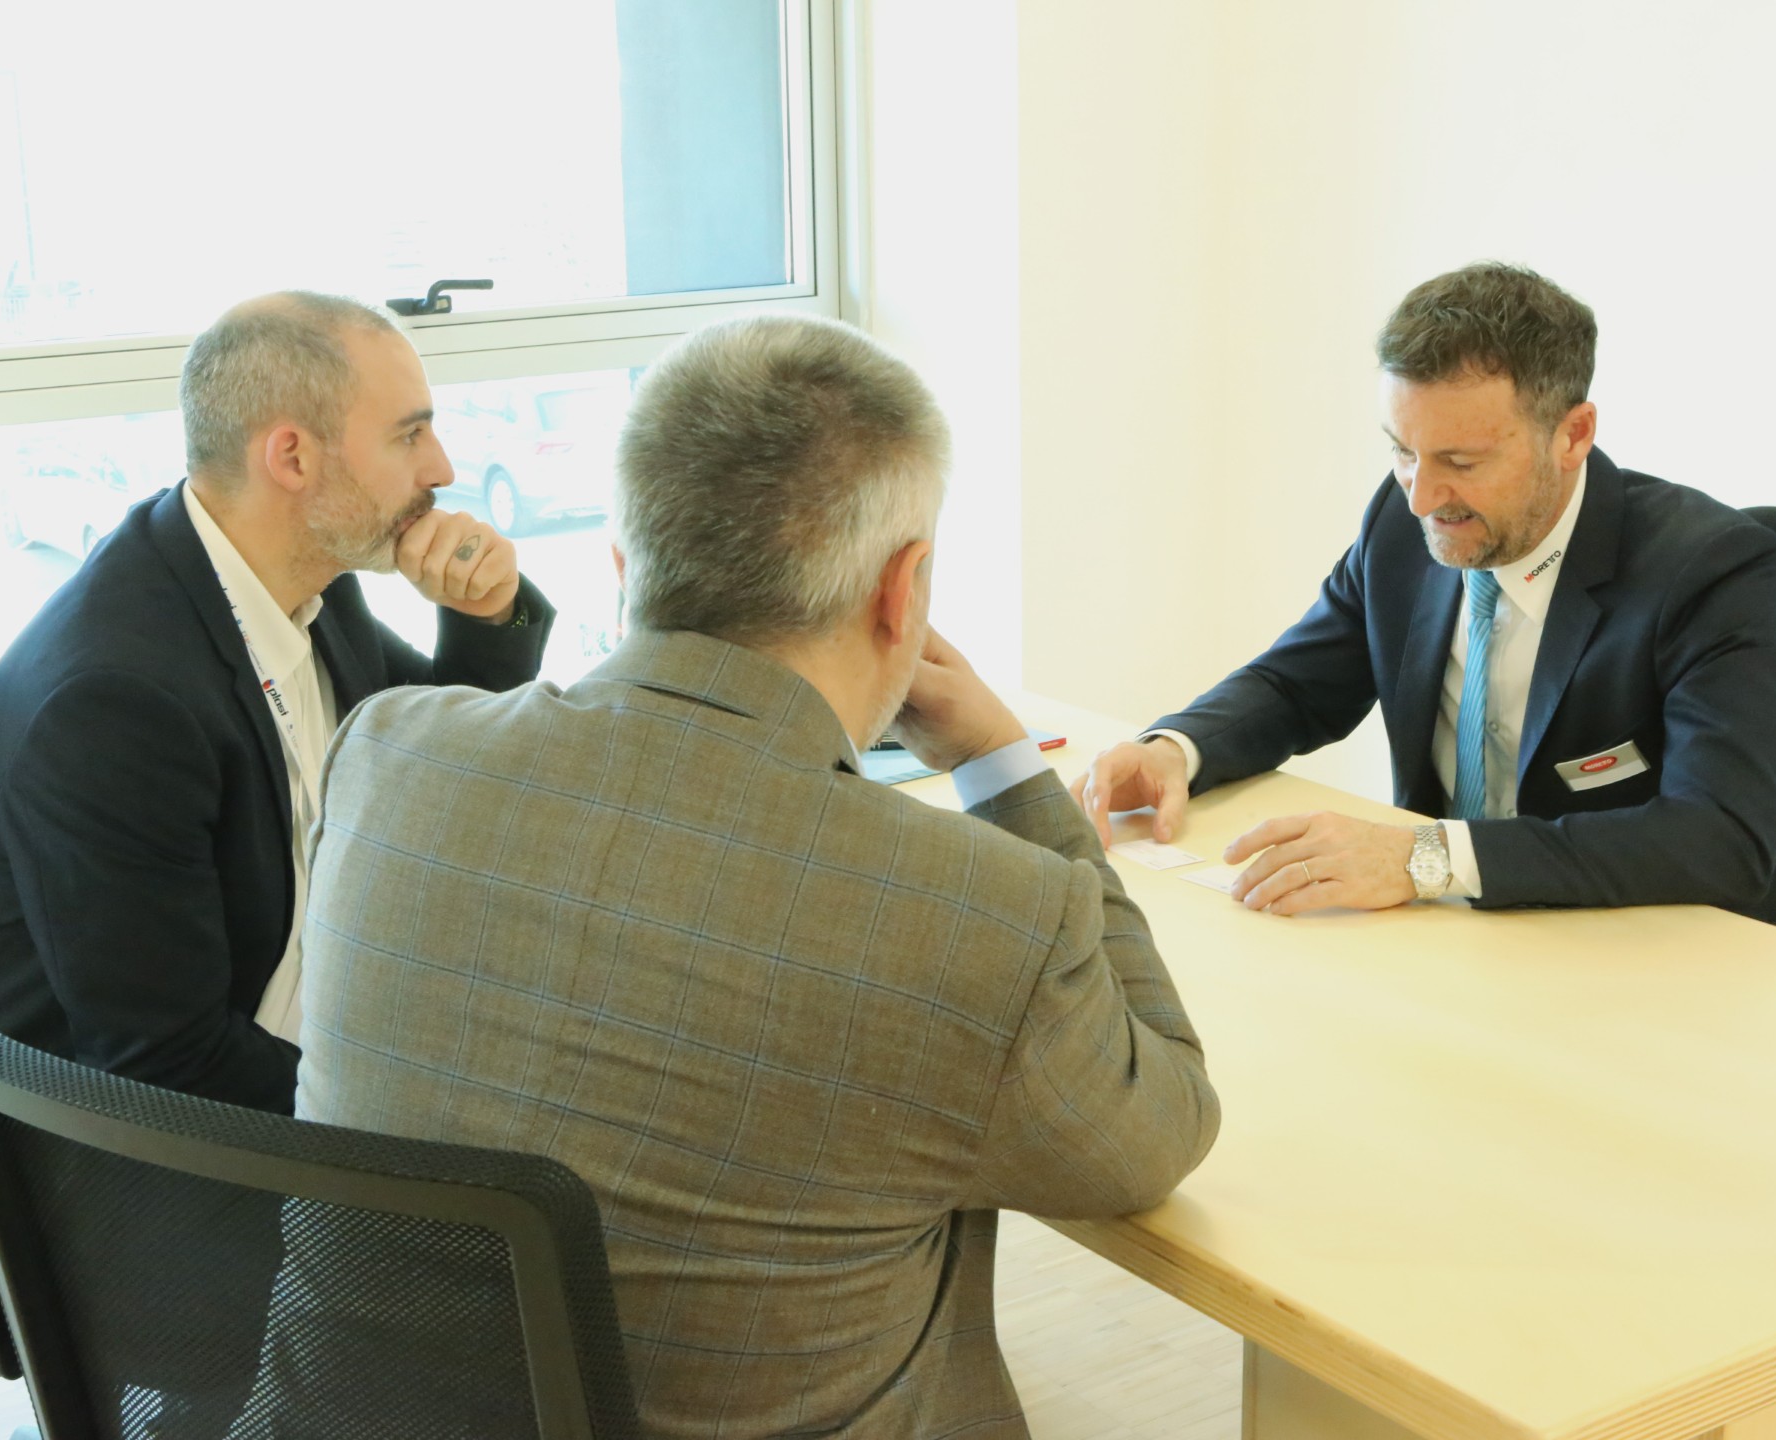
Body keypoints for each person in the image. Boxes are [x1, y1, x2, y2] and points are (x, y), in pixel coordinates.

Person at [293, 313, 1220, 1437]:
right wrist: (998, 760)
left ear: (624, 566)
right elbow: (1156, 1131)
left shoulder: (389, 754)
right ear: (902, 591)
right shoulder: (977, 913)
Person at [1073, 262, 1776, 931]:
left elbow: (1721, 838)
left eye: (1460, 460)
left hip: (1656, 949)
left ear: (1572, 435)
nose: (1421, 497)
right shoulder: (1403, 523)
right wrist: (1175, 750)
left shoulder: (1710, 568)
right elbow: (1296, 685)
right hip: (1455, 938)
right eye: (1402, 450)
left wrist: (1424, 858)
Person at [0, 291, 555, 1116]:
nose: (441, 469)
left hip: (315, 1031)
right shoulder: (115, 704)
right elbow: (168, 1064)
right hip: (186, 1143)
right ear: (293, 457)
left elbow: (445, 778)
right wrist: (404, 1101)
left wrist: (486, 617)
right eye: (409, 434)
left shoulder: (307, 582)